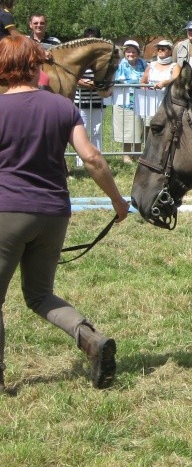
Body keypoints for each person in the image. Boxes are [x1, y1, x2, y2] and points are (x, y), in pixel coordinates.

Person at [0, 35, 129, 392]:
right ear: (37, 64)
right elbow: (91, 158)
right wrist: (118, 202)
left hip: (6, 211)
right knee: (41, 295)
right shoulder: (62, 107)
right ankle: (91, 339)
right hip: (54, 212)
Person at [73, 27, 111, 168]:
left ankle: (97, 159)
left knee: (97, 130)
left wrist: (98, 85)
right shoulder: (80, 57)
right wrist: (85, 83)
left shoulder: (101, 59)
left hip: (97, 100)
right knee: (82, 131)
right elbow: (74, 76)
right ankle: (80, 160)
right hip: (81, 100)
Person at [113, 39, 146, 163]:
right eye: (128, 52)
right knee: (125, 127)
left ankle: (137, 154)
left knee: (138, 128)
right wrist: (137, 83)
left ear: (138, 52)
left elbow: (147, 77)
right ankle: (126, 155)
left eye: (133, 52)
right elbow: (118, 79)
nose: (130, 54)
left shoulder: (143, 64)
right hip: (124, 101)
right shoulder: (120, 64)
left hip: (140, 100)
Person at [139, 39, 180, 135]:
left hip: (166, 102)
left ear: (170, 51)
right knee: (148, 128)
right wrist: (146, 91)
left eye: (163, 49)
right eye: (158, 49)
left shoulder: (174, 66)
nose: (160, 50)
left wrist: (165, 82)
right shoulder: (151, 65)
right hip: (150, 102)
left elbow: (176, 78)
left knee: (164, 128)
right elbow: (143, 82)